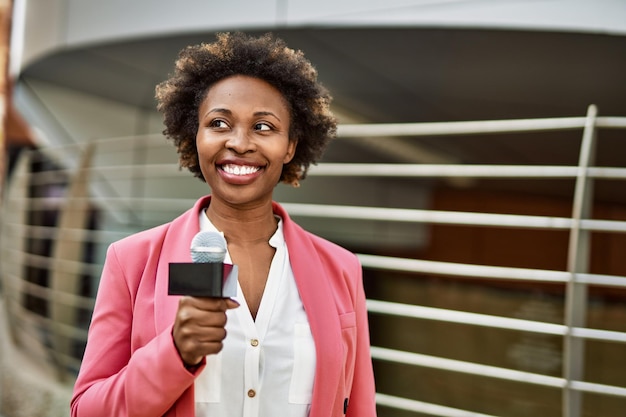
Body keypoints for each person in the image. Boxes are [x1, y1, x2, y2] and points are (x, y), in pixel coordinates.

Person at [71, 32, 377, 417]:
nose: (240, 143)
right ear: (194, 135)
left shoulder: (341, 268)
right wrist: (175, 352)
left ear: (290, 146)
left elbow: (360, 406)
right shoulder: (132, 261)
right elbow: (86, 410)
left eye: (263, 127)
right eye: (219, 123)